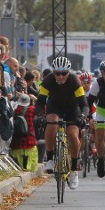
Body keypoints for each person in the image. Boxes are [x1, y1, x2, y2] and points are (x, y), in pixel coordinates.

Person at [36, 55, 87, 189]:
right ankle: (51, 159)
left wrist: (82, 116)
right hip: (55, 107)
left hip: (72, 108)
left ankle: (74, 169)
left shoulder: (75, 81)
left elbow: (84, 104)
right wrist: (40, 115)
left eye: (64, 73)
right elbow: (40, 102)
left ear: (68, 73)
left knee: (72, 134)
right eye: (57, 73)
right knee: (51, 121)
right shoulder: (47, 81)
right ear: (53, 72)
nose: (60, 76)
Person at [9, 92, 39, 171]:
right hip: (30, 142)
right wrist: (36, 99)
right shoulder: (32, 110)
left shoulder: (15, 110)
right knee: (31, 168)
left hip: (16, 143)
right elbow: (44, 108)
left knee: (19, 167)